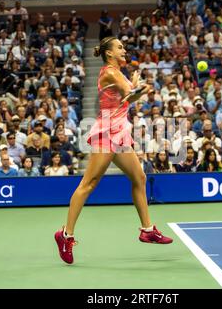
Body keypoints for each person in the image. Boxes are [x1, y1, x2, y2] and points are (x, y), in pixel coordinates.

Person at [55, 37, 173, 265]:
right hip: (107, 131)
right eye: (119, 47)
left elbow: (128, 97)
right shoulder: (110, 72)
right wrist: (141, 88)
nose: (123, 49)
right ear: (109, 54)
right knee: (88, 184)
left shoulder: (119, 73)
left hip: (119, 131)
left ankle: (147, 230)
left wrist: (137, 86)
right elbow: (131, 94)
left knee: (139, 176)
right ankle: (65, 235)